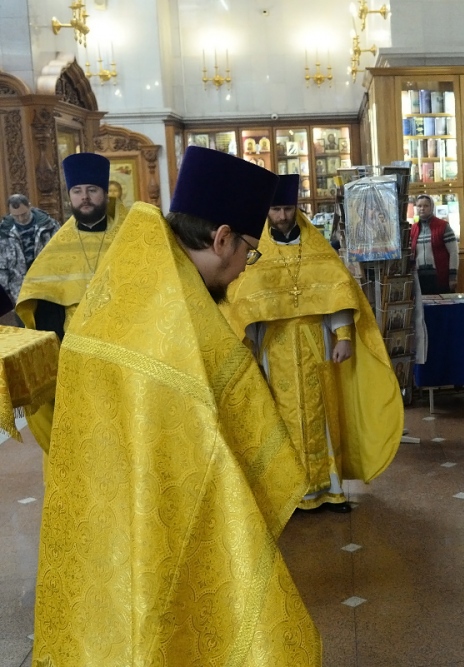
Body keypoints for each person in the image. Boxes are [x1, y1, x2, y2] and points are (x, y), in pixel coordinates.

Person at [31, 145, 321, 665]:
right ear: (222, 239)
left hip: (108, 519)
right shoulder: (176, 317)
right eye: (249, 252)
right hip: (160, 507)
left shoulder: (137, 282)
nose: (244, 269)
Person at [225, 174, 402, 513]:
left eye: (287, 209)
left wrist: (344, 336)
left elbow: (338, 291)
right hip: (275, 348)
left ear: (296, 208)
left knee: (322, 415)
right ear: (267, 211)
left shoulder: (317, 246)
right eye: (275, 210)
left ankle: (330, 490)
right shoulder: (257, 252)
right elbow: (243, 303)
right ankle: (290, 495)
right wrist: (248, 349)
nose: (281, 216)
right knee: (282, 419)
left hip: (315, 342)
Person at [15, 153, 127, 452]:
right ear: (70, 196)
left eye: (92, 190)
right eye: (77, 191)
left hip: (127, 348)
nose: (84, 197)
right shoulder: (58, 246)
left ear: (104, 192)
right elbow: (45, 306)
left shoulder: (130, 236)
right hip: (76, 354)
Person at [0, 194, 60, 307]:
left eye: (24, 214)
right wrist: (6, 291)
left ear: (29, 206)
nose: (21, 219)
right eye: (15, 216)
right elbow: (2, 266)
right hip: (19, 290)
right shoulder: (3, 233)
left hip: (48, 285)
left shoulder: (49, 226)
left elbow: (61, 254)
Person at [410, 194, 458, 293]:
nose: (422, 209)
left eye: (426, 206)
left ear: (432, 207)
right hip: (419, 277)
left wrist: (453, 276)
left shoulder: (443, 226)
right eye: (419, 206)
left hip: (439, 276)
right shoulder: (413, 229)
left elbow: (454, 252)